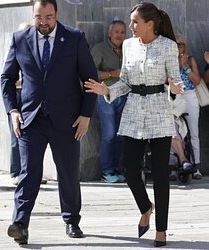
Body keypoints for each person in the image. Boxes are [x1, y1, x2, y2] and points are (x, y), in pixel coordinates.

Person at [85, 2, 183, 247]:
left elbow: (176, 82)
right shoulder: (129, 46)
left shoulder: (168, 46)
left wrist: (174, 89)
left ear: (150, 23)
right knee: (129, 170)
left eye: (135, 22)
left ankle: (161, 231)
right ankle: (145, 207)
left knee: (160, 175)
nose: (130, 27)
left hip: (160, 113)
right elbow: (126, 82)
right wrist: (106, 89)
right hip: (133, 114)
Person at [1, 0, 98, 245]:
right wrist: (12, 110)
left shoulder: (74, 38)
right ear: (32, 15)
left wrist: (86, 115)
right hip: (30, 119)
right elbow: (7, 78)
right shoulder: (19, 38)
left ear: (57, 14)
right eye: (38, 17)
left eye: (48, 17)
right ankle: (20, 223)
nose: (43, 22)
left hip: (68, 120)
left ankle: (72, 220)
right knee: (28, 173)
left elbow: (90, 79)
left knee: (67, 172)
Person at [91, 20, 127, 183]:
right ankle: (106, 171)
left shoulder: (128, 49)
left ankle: (115, 169)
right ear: (109, 33)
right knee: (109, 134)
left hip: (124, 95)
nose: (119, 35)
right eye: (116, 32)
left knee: (120, 135)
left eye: (122, 32)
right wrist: (112, 73)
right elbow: (89, 73)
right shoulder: (100, 49)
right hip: (105, 96)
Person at [175, 34, 202, 179]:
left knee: (194, 132)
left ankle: (196, 166)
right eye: (175, 44)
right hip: (175, 97)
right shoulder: (170, 60)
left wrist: (185, 67)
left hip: (190, 95)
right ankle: (174, 165)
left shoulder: (190, 60)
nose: (178, 47)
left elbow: (197, 81)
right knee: (173, 131)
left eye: (180, 44)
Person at [8, 22, 30, 185]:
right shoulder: (16, 49)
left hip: (30, 98)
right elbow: (8, 78)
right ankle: (16, 172)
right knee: (16, 134)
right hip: (17, 96)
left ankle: (28, 170)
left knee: (31, 136)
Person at [169, 96, 193, 181]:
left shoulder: (172, 92)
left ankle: (177, 164)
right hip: (154, 125)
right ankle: (183, 159)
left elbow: (183, 103)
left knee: (171, 129)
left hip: (173, 123)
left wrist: (172, 115)